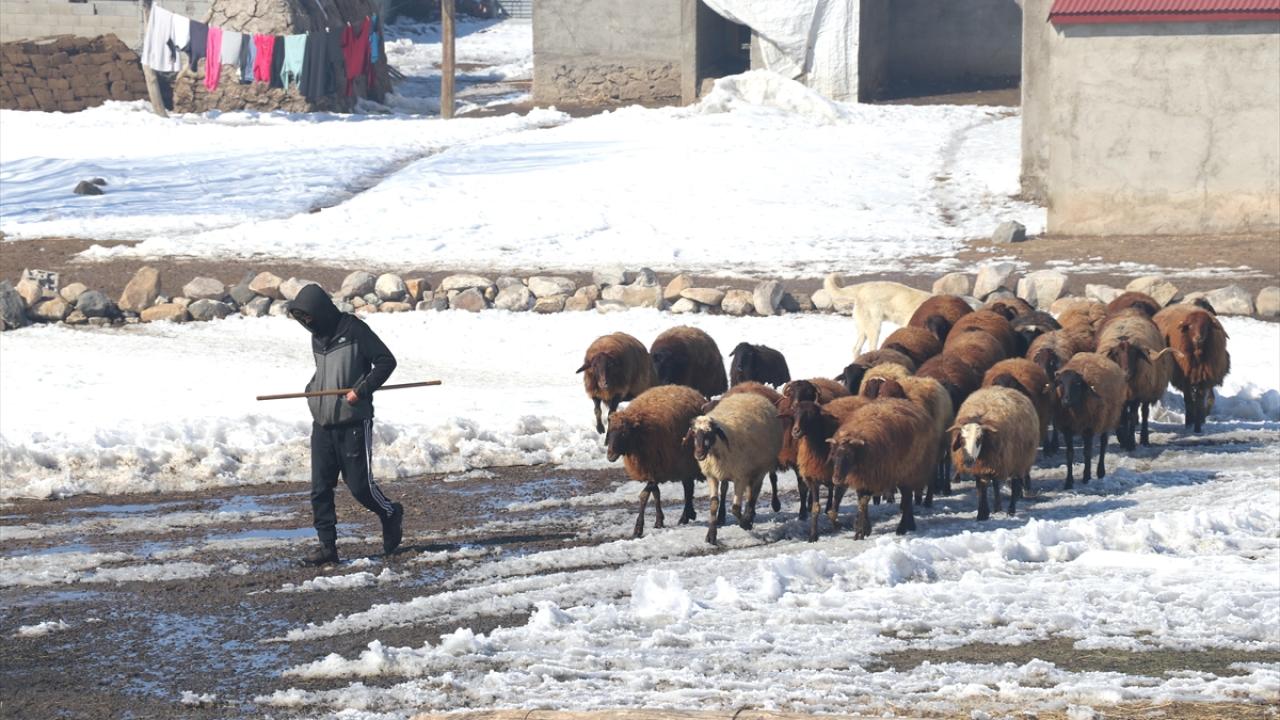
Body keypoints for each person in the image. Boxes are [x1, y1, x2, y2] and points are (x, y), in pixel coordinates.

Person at [289, 284, 403, 565]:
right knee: (320, 489)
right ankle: (327, 547)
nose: (307, 323)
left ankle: (390, 513)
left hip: (353, 422)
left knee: (360, 487)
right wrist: (312, 389)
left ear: (320, 310)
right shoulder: (317, 337)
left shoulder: (354, 330)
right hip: (322, 425)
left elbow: (386, 361)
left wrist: (361, 390)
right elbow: (326, 372)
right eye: (302, 319)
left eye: (309, 317)